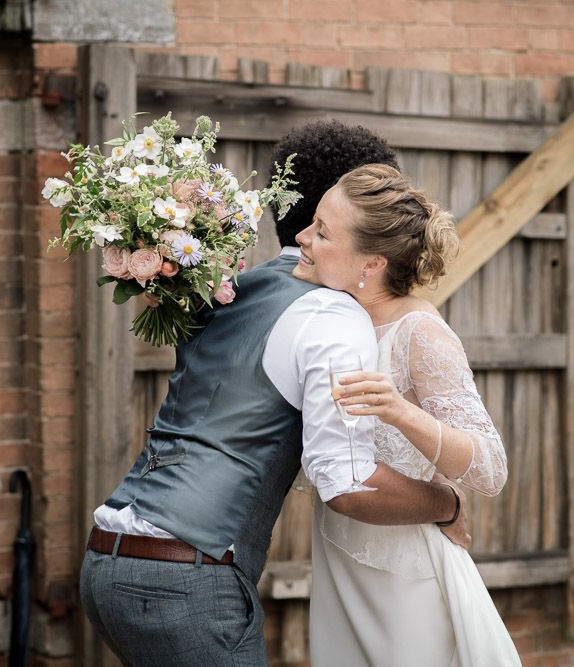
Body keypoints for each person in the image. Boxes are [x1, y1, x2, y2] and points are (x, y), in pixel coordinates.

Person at [79, 121, 469, 667]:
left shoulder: (229, 289)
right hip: (186, 577)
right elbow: (347, 482)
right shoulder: (333, 315)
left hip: (106, 556)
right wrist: (447, 504)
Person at [301, 163, 520, 666]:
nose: (303, 238)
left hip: (406, 579)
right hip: (339, 557)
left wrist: (400, 412)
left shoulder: (419, 331)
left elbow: (491, 469)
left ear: (372, 262)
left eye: (322, 232)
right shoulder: (330, 316)